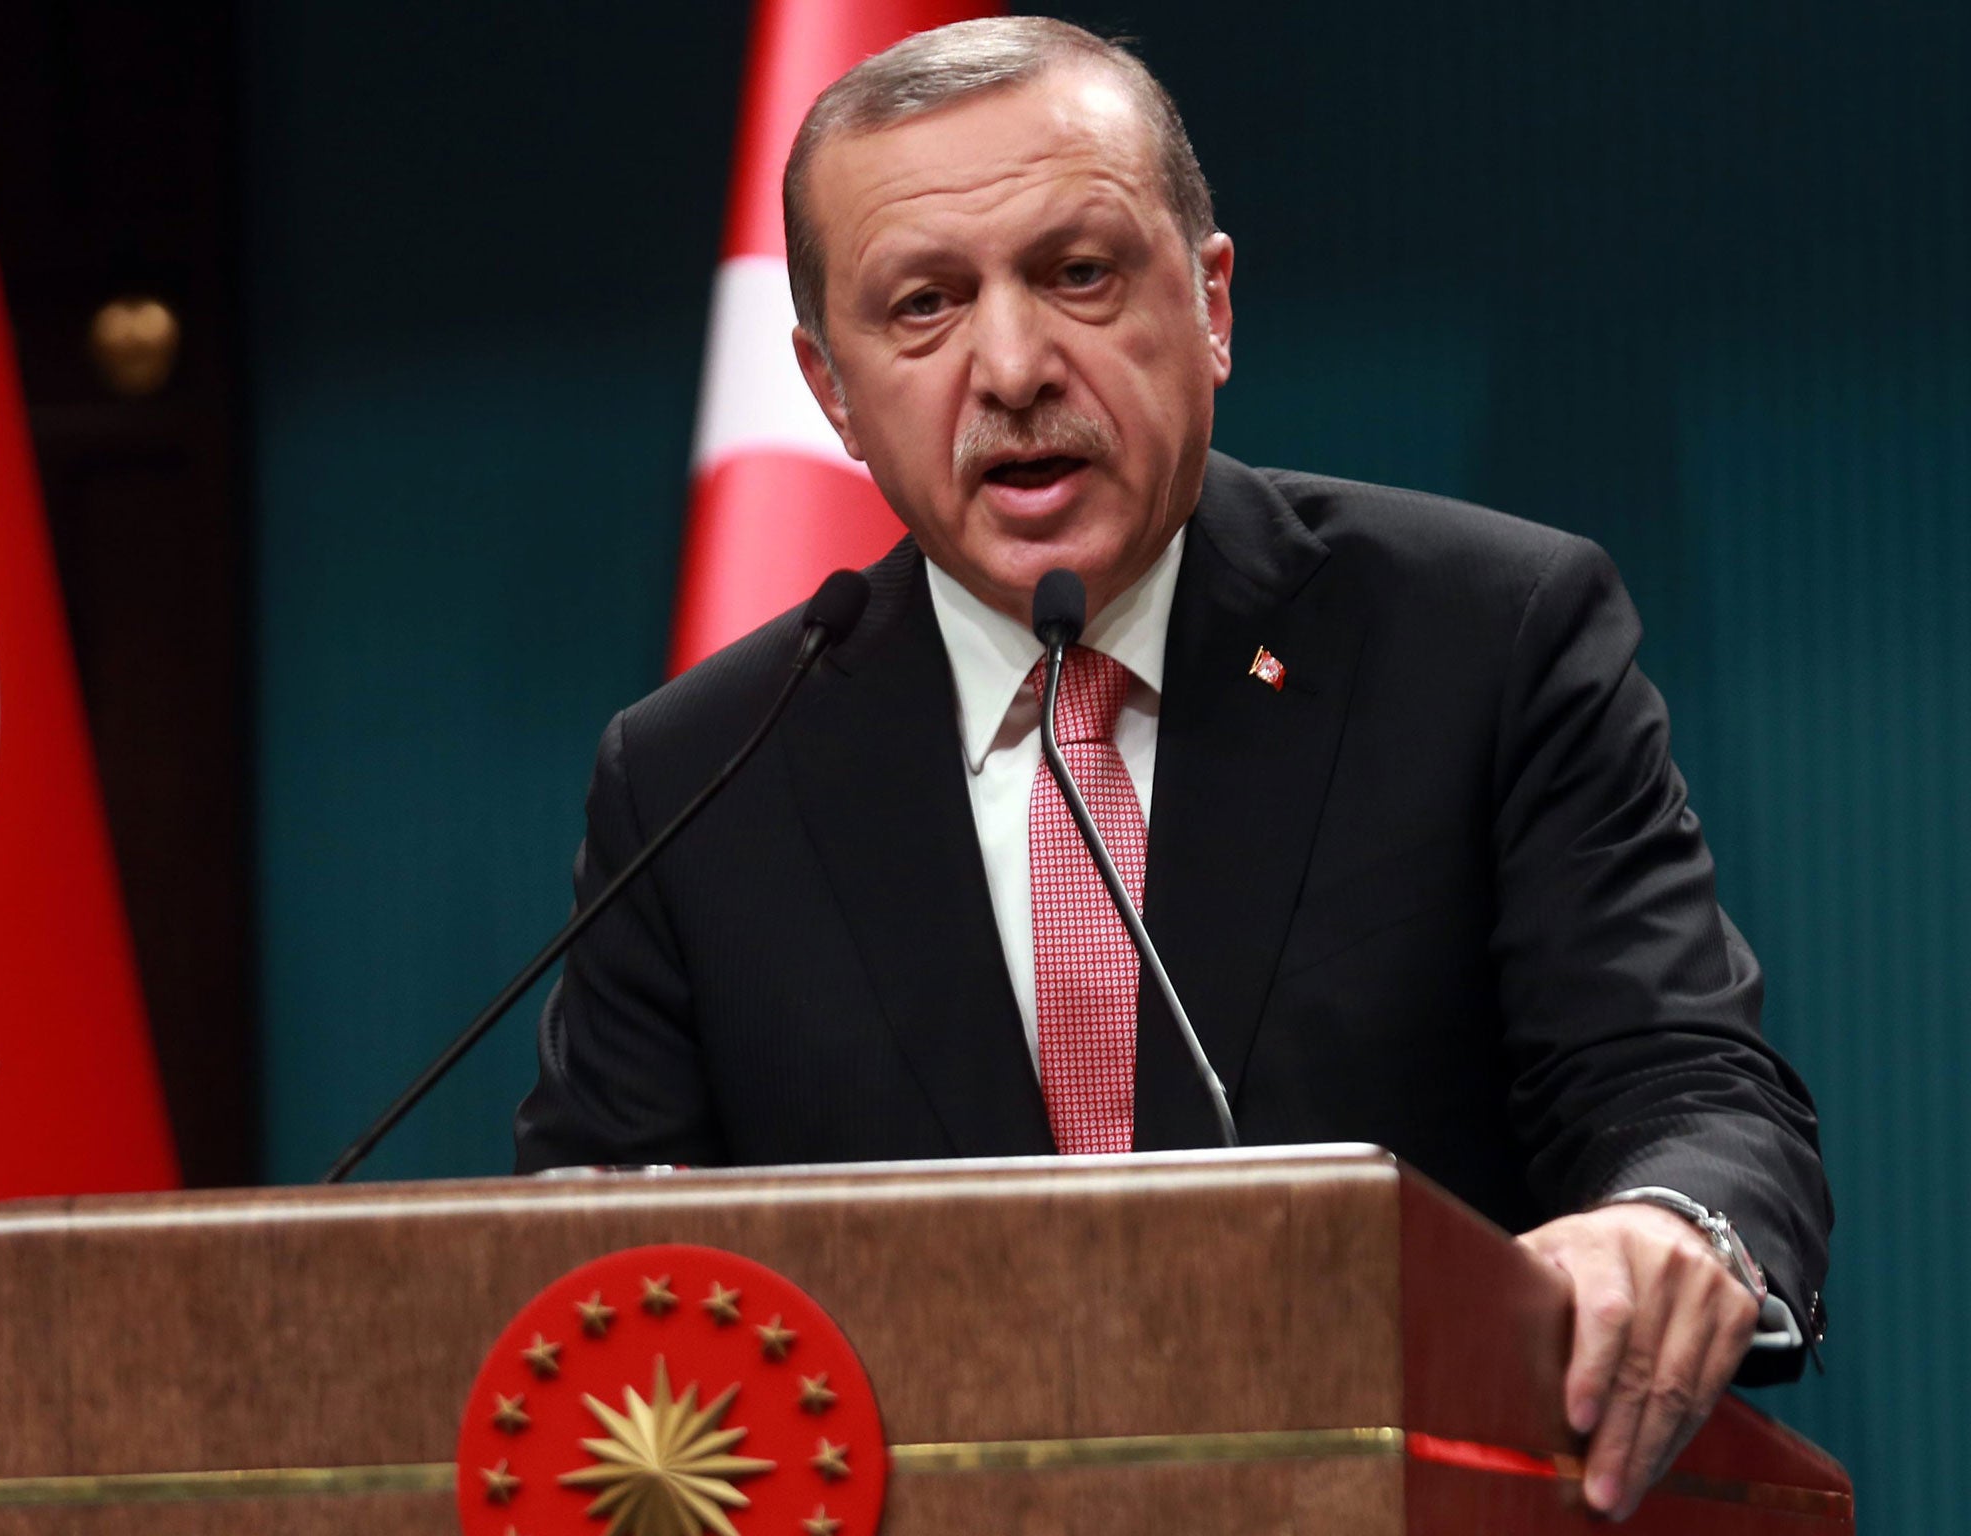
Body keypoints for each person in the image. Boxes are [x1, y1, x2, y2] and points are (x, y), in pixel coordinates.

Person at [516, 17, 1829, 1520]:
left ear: (1208, 303)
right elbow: (593, 1280)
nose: (1012, 368)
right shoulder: (698, 776)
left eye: (1078, 274)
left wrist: (1669, 1223)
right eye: (925, 305)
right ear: (831, 392)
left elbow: (1687, 1083)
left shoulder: (1484, 638)